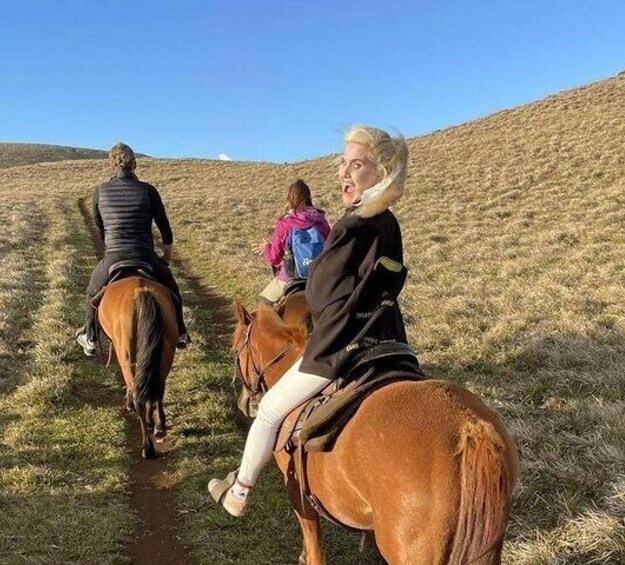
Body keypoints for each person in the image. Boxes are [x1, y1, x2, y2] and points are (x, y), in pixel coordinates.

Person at [209, 125, 411, 516]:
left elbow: (318, 295)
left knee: (268, 410)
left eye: (356, 165)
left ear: (381, 171)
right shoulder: (389, 223)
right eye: (342, 163)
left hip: (341, 346)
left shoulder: (353, 224)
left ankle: (239, 491)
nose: (344, 173)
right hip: (391, 341)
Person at [76, 142, 190, 356]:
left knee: (92, 292)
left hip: (114, 255)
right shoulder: (148, 191)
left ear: (111, 166)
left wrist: (110, 249)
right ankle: (181, 333)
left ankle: (90, 337)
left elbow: (100, 230)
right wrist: (166, 256)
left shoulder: (100, 192)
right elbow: (165, 229)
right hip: (145, 254)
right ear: (135, 164)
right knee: (172, 288)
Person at [252, 179, 330, 305]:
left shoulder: (286, 223)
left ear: (289, 198)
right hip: (319, 276)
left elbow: (274, 258)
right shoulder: (321, 220)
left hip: (291, 277)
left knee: (262, 304)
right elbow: (330, 246)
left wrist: (267, 247)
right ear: (308, 196)